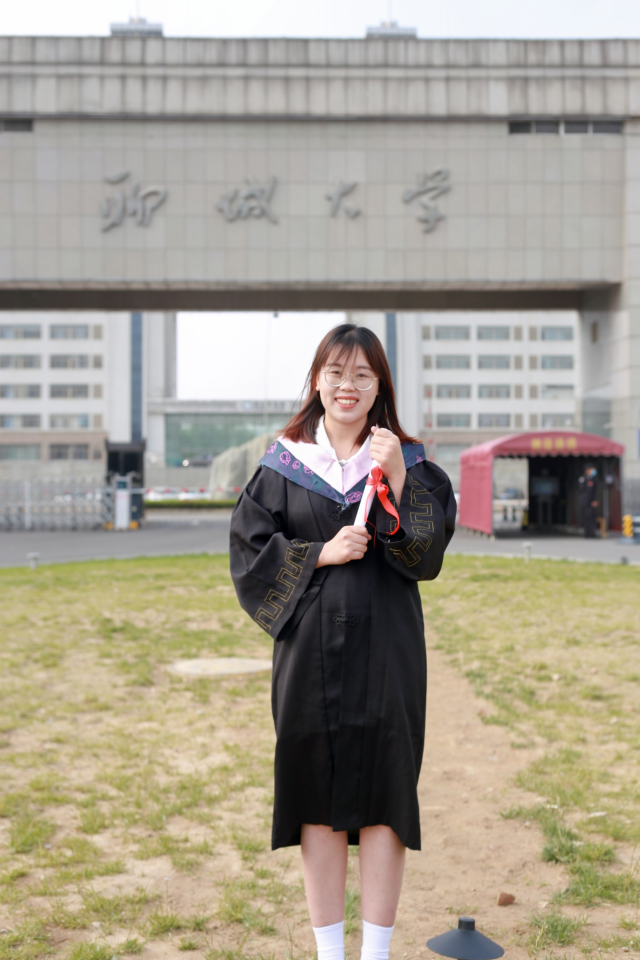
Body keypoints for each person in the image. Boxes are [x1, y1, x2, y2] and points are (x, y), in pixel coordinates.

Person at [230, 323, 456, 960]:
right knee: (314, 792)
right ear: (317, 381)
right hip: (310, 657)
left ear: (380, 385)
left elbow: (427, 558)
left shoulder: (410, 463)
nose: (346, 386)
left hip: (389, 653)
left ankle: (374, 952)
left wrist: (398, 480)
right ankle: (331, 952)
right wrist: (319, 553)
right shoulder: (283, 466)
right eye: (335, 373)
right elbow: (249, 558)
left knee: (387, 793)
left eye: (362, 374)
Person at [578, 466, 599, 538]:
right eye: (591, 469)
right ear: (587, 470)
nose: (593, 471)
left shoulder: (592, 479)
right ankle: (588, 533)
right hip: (586, 501)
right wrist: (593, 500)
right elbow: (587, 491)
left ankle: (591, 533)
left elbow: (593, 491)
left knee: (592, 517)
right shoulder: (583, 478)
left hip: (589, 501)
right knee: (587, 517)